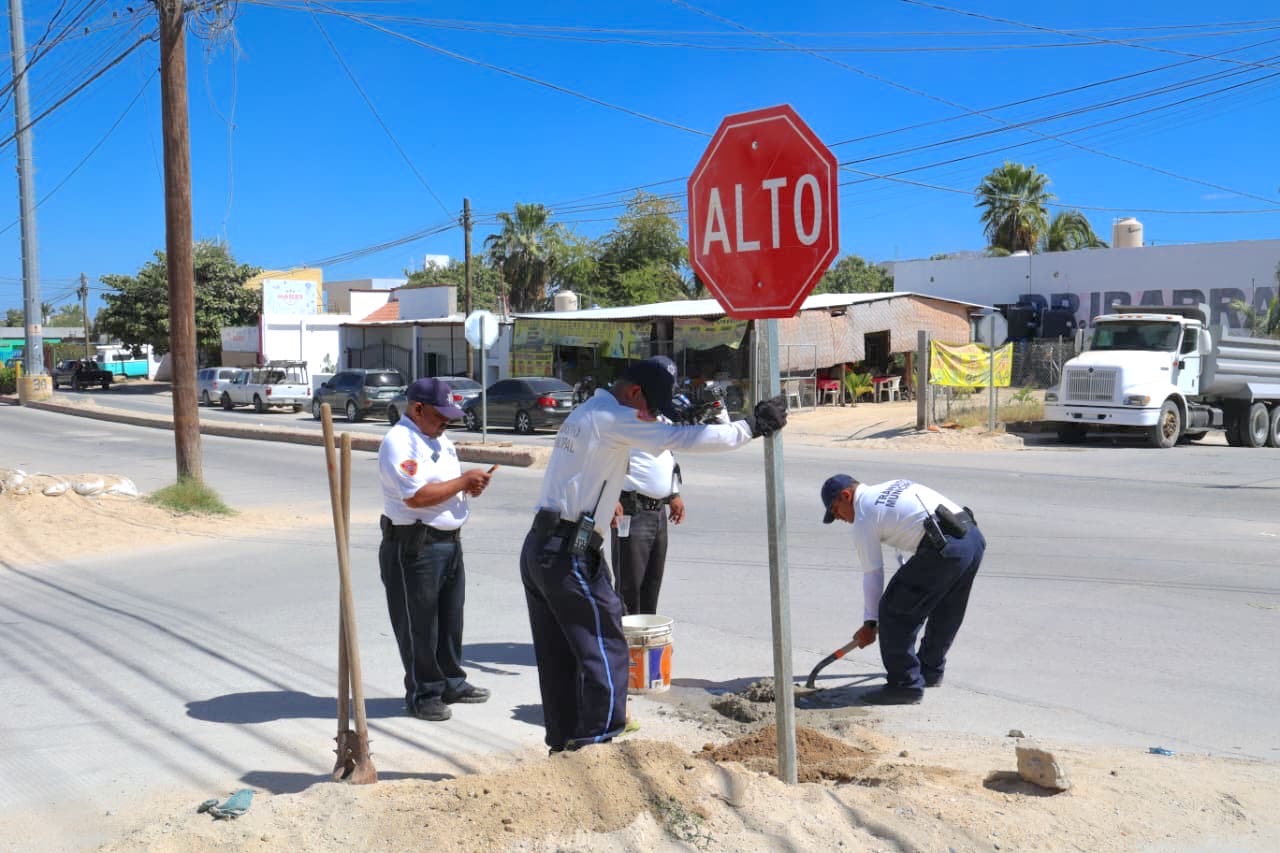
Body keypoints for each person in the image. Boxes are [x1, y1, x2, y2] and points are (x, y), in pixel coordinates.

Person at [521, 357, 789, 752]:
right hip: (568, 554)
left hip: (545, 546)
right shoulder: (613, 417)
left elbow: (586, 472)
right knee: (606, 645)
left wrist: (601, 500)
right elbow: (681, 439)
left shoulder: (589, 411)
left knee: (561, 657)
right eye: (650, 407)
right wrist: (751, 426)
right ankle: (598, 745)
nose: (652, 417)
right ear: (633, 393)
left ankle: (564, 746)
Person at [378, 377, 494, 722]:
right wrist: (463, 481)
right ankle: (423, 692)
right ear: (417, 409)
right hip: (414, 544)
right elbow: (415, 497)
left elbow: (443, 487)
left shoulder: (440, 439)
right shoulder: (399, 442)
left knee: (449, 619)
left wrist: (469, 488)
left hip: (448, 542)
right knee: (420, 624)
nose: (446, 422)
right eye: (440, 415)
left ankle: (451, 682)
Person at [820, 475, 985, 705]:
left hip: (944, 546)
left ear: (846, 496)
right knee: (947, 608)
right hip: (972, 538)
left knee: (892, 612)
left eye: (836, 511)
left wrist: (871, 622)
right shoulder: (891, 485)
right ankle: (929, 670)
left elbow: (872, 574)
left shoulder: (863, 515)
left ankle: (904, 685)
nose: (839, 518)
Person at [611, 357, 729, 615]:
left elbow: (667, 456)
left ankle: (646, 641)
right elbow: (600, 459)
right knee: (628, 586)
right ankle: (624, 645)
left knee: (651, 584)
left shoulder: (659, 418)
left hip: (657, 513)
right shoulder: (622, 419)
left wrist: (673, 493)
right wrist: (609, 498)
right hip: (631, 511)